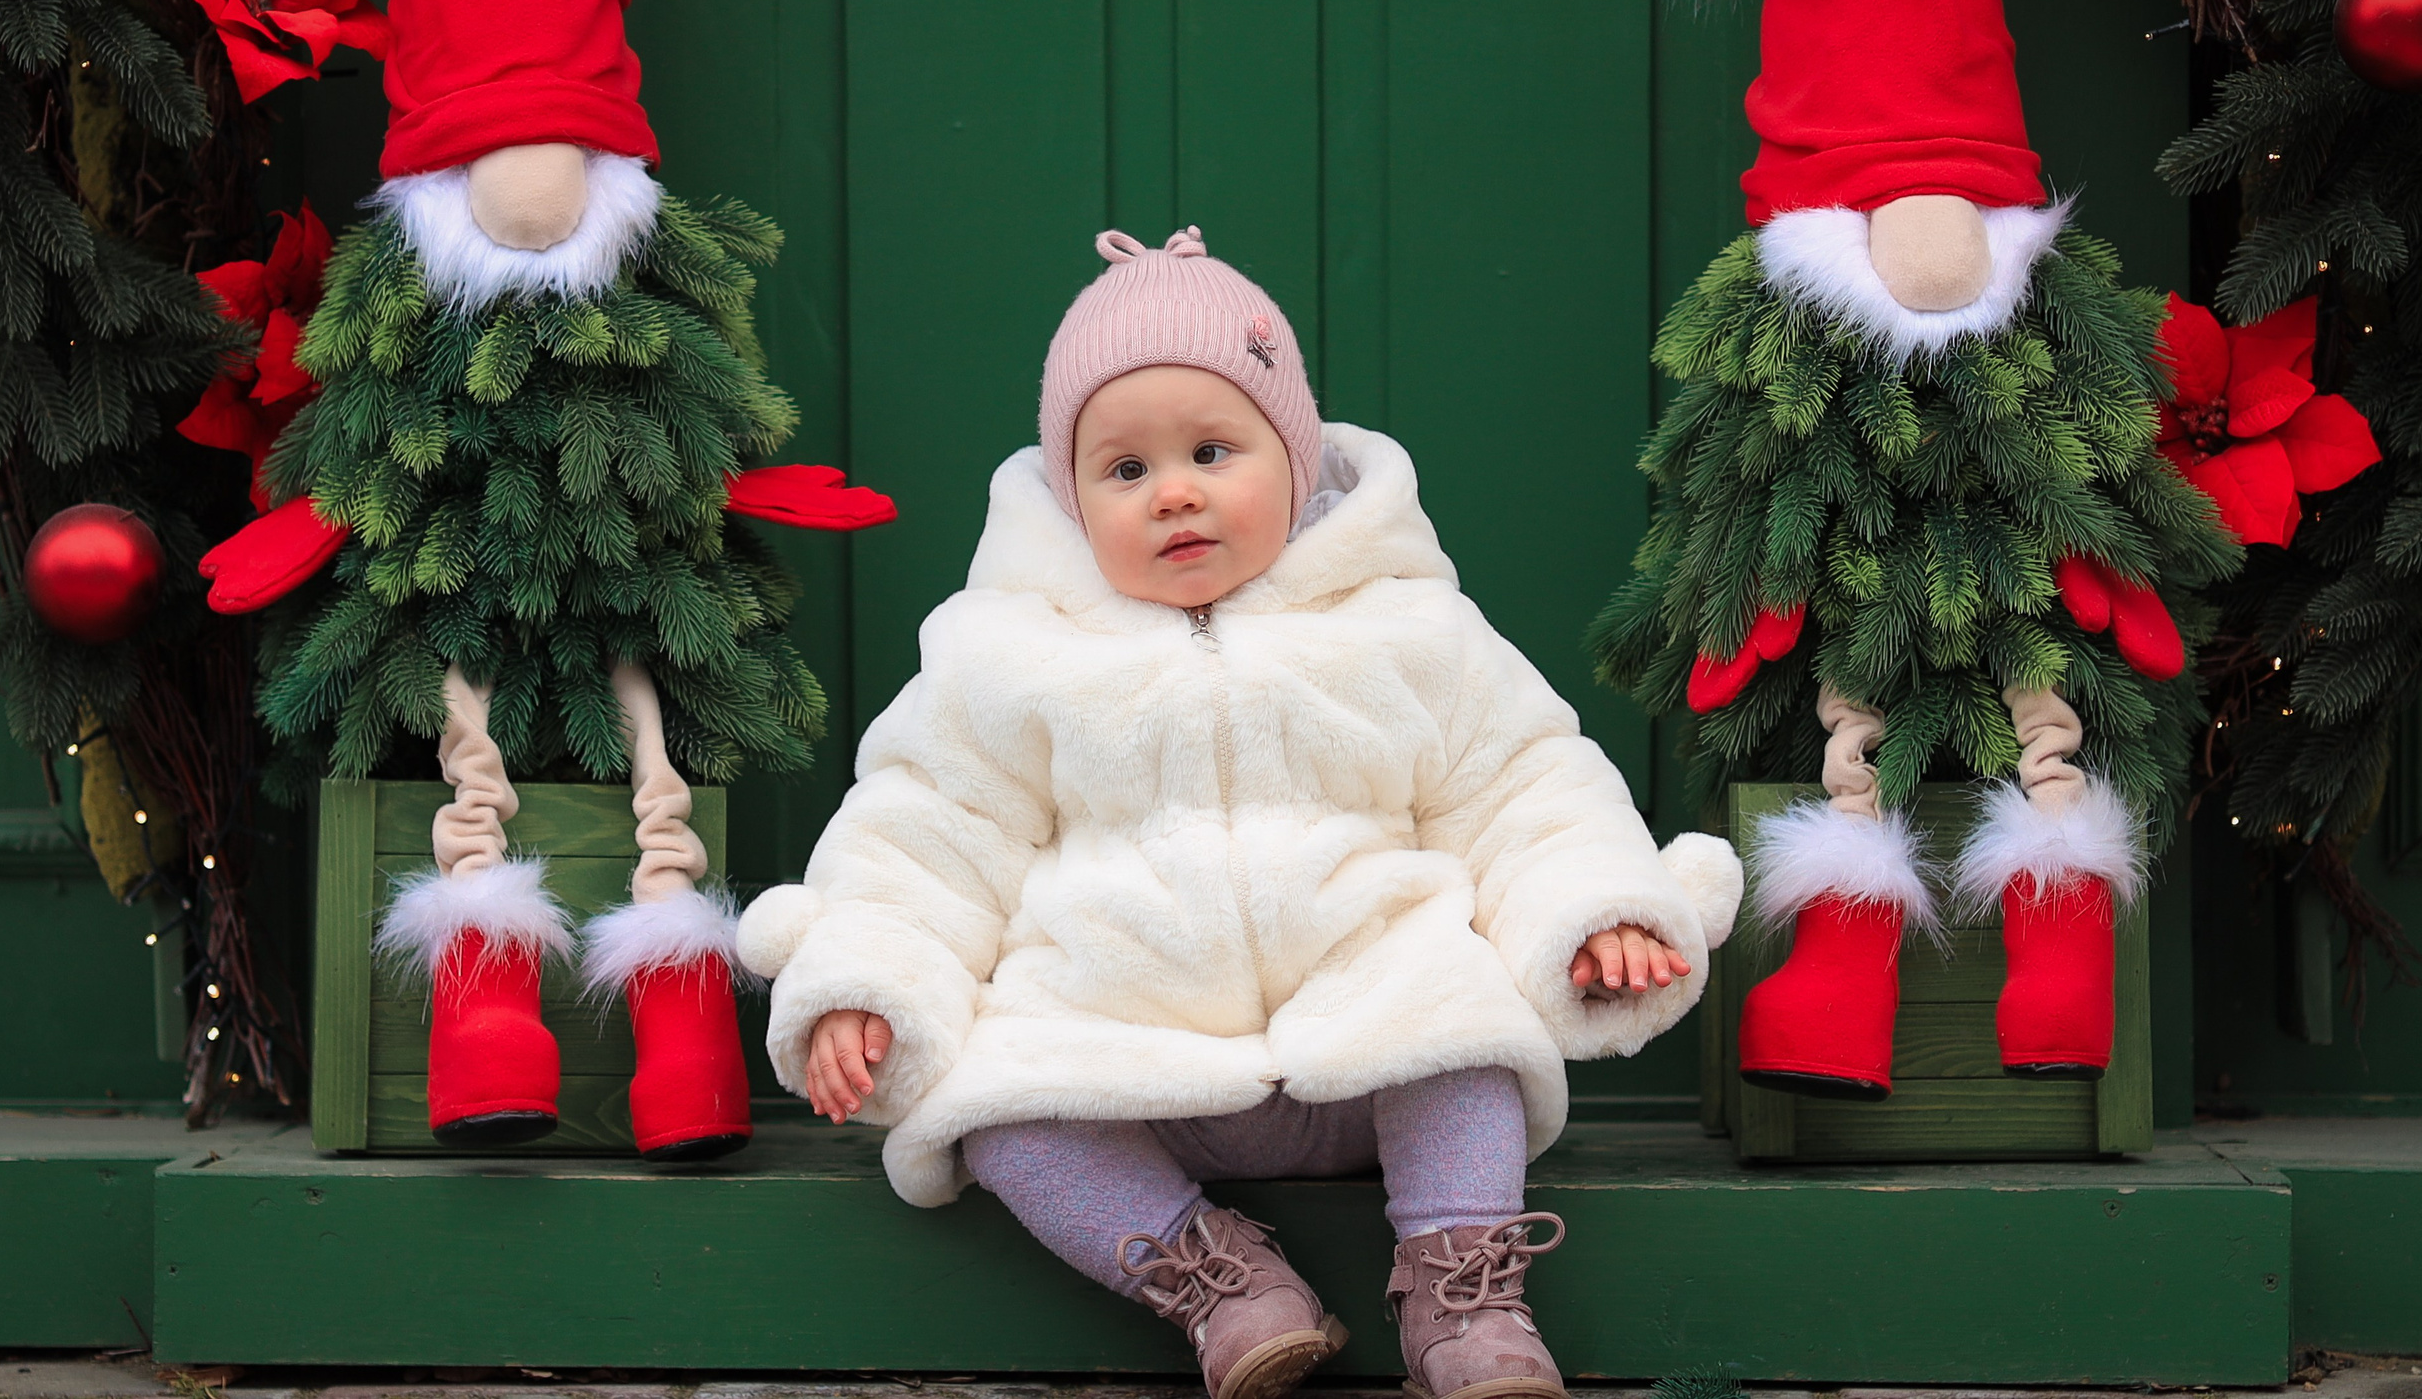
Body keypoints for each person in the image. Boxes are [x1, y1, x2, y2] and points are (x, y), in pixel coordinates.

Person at [738, 227, 1741, 1399]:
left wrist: (1588, 909)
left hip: (1374, 1031)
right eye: (1122, 471)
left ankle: (1460, 1284)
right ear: (1071, 499)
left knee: (1467, 1041)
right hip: (1126, 1053)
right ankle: (1213, 1276)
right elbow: (927, 831)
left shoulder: (1404, 627)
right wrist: (866, 978)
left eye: (1213, 450)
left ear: (1296, 458)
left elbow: (1521, 782)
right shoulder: (1006, 655)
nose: (1173, 491)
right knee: (991, 1119)